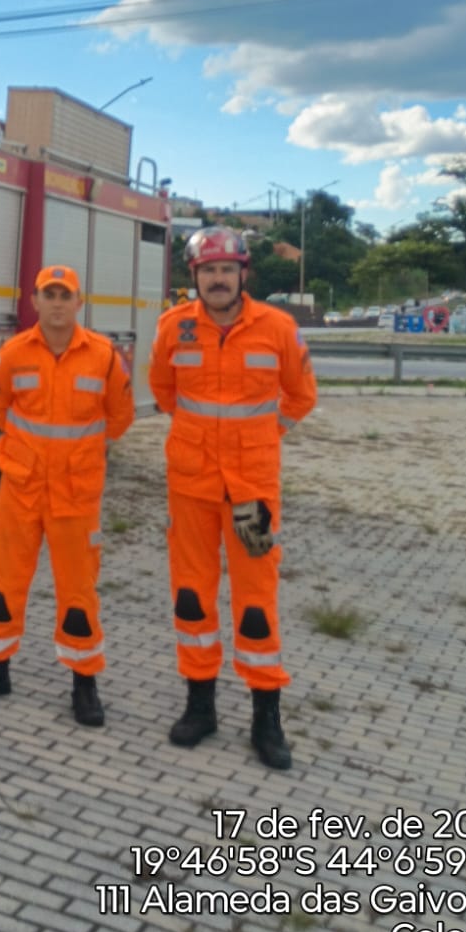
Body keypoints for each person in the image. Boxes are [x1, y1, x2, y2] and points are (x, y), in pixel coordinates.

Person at [148, 227, 318, 769]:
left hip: (250, 495)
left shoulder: (277, 328)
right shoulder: (174, 327)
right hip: (192, 489)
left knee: (255, 603)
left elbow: (301, 395)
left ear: (244, 274)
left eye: (227, 269)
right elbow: (163, 391)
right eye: (208, 270)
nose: (218, 279)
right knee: (191, 596)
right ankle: (200, 706)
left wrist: (265, 436)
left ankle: (266, 717)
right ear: (194, 276)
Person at [0, 264, 136, 727]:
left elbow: (120, 416)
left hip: (76, 493)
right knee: (2, 580)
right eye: (48, 295)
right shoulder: (13, 354)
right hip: (21, 487)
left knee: (78, 590)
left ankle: (84, 683)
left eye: (64, 295)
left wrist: (79, 455)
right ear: (34, 301)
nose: (56, 303)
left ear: (79, 302)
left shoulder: (103, 357)